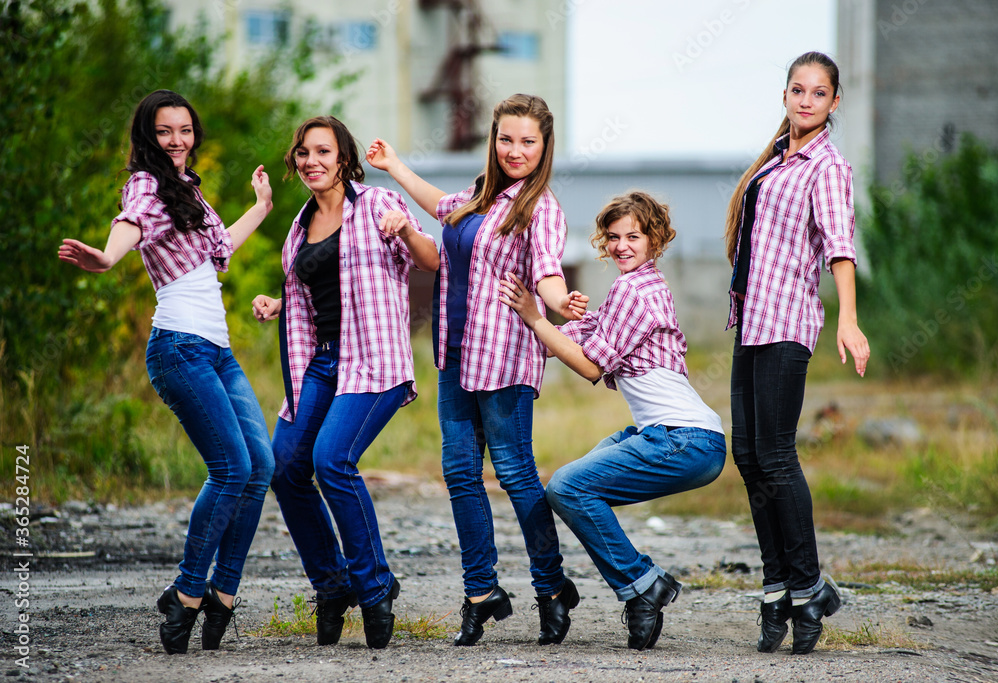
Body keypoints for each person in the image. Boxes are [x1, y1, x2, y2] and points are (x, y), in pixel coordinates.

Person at [366, 93, 589, 646]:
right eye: (506, 139)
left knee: (515, 474)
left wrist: (560, 304)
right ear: (494, 139)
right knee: (460, 474)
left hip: (505, 358)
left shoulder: (540, 208)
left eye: (528, 142)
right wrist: (395, 167)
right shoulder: (478, 195)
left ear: (544, 146)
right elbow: (440, 206)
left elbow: (547, 273)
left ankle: (551, 587)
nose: (515, 150)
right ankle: (480, 593)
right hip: (456, 354)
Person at [57, 90, 275, 654]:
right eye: (164, 131)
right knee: (231, 468)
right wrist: (107, 257)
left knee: (261, 466)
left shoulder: (188, 188)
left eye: (185, 130)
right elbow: (130, 222)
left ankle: (223, 592)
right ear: (147, 137)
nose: (177, 140)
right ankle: (186, 592)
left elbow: (219, 250)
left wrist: (261, 207)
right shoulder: (147, 185)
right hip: (179, 347)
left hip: (217, 351)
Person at [500, 191, 727, 650]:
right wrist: (544, 319)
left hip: (684, 438)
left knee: (568, 487)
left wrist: (532, 315)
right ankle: (640, 592)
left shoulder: (634, 291)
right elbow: (568, 338)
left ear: (655, 240)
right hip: (670, 436)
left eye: (634, 237)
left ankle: (643, 583)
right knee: (570, 491)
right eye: (614, 237)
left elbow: (589, 366)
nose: (622, 245)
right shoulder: (634, 289)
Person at [251, 115, 439, 650]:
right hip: (323, 363)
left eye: (322, 151)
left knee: (332, 461)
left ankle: (375, 587)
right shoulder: (299, 226)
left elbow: (430, 259)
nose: (311, 161)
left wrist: (407, 229)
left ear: (344, 159)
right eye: (303, 153)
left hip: (374, 362)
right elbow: (322, 294)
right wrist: (280, 302)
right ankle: (333, 586)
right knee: (285, 466)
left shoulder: (377, 204)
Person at [723, 51, 870, 655]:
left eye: (818, 93)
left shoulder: (827, 167)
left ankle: (808, 588)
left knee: (777, 456)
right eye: (797, 90)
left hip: (786, 323)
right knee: (748, 454)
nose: (806, 101)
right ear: (785, 95)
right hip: (750, 323)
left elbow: (840, 247)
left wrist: (849, 319)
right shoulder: (773, 160)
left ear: (834, 101)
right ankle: (777, 584)